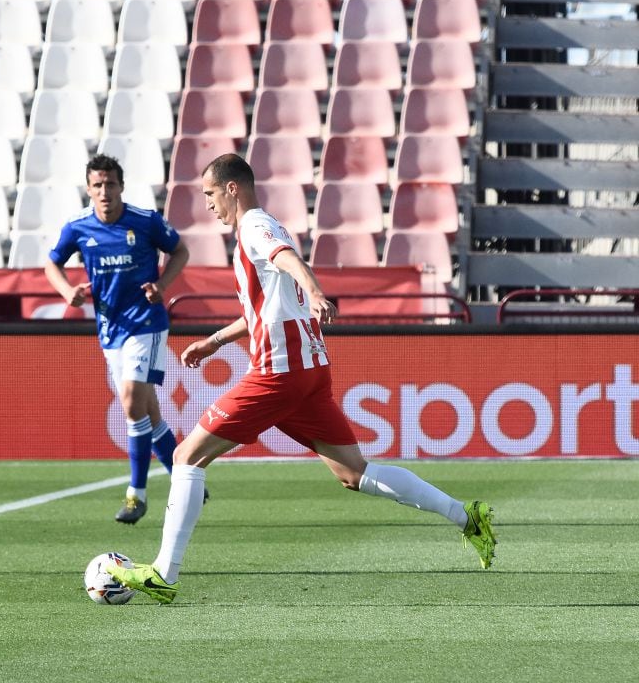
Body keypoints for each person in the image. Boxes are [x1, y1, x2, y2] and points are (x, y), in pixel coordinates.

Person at [108, 153, 496, 603]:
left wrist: (315, 292)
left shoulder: (254, 225)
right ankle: (466, 516)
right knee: (354, 474)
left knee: (186, 457)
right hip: (310, 373)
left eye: (210, 194)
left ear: (232, 188)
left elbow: (289, 260)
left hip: (279, 373)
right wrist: (216, 340)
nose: (208, 205)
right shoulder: (261, 227)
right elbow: (265, 305)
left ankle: (163, 574)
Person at [45, 154, 193, 524]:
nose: (104, 191)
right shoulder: (78, 227)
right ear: (88, 189)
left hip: (147, 322)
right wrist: (67, 292)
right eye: (97, 185)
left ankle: (136, 494)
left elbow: (180, 250)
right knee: (148, 409)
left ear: (121, 186)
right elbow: (52, 262)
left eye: (110, 184)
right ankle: (184, 481)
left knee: (130, 401)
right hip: (110, 329)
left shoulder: (143, 222)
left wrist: (161, 285)